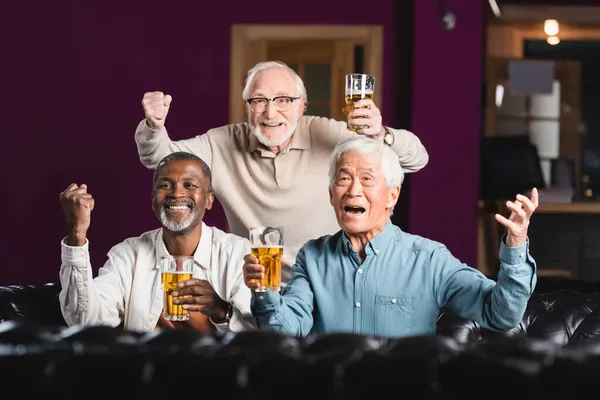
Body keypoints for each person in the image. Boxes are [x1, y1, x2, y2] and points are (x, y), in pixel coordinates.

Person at [134, 60, 429, 283]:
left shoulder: (330, 134)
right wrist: (153, 126)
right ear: (247, 106)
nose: (271, 113)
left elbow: (417, 158)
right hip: (256, 285)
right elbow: (159, 159)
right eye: (259, 101)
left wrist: (380, 135)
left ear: (302, 107)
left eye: (283, 100)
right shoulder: (221, 142)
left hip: (330, 281)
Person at [242, 135, 539, 338]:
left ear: (392, 195)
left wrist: (515, 245)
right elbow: (284, 330)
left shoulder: (429, 259)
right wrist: (263, 290)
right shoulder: (314, 257)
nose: (353, 190)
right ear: (331, 195)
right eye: (343, 179)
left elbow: (501, 315)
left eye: (367, 179)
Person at [58, 151, 255, 333]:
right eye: (165, 185)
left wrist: (222, 311)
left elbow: (259, 337)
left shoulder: (238, 253)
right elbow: (84, 322)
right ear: (153, 201)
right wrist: (77, 234)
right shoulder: (128, 255)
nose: (176, 194)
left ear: (209, 200)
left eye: (190, 185)